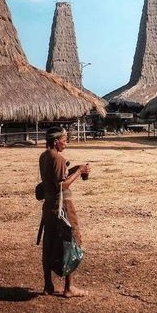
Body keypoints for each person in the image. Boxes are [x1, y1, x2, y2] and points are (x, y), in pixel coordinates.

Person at [38, 127, 90, 297]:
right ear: (55, 141)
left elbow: (54, 178)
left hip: (49, 207)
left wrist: (74, 169)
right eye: (64, 140)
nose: (66, 143)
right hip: (63, 206)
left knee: (49, 243)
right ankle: (69, 287)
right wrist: (80, 171)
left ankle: (48, 285)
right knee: (70, 241)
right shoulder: (58, 158)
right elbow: (61, 185)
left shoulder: (44, 156)